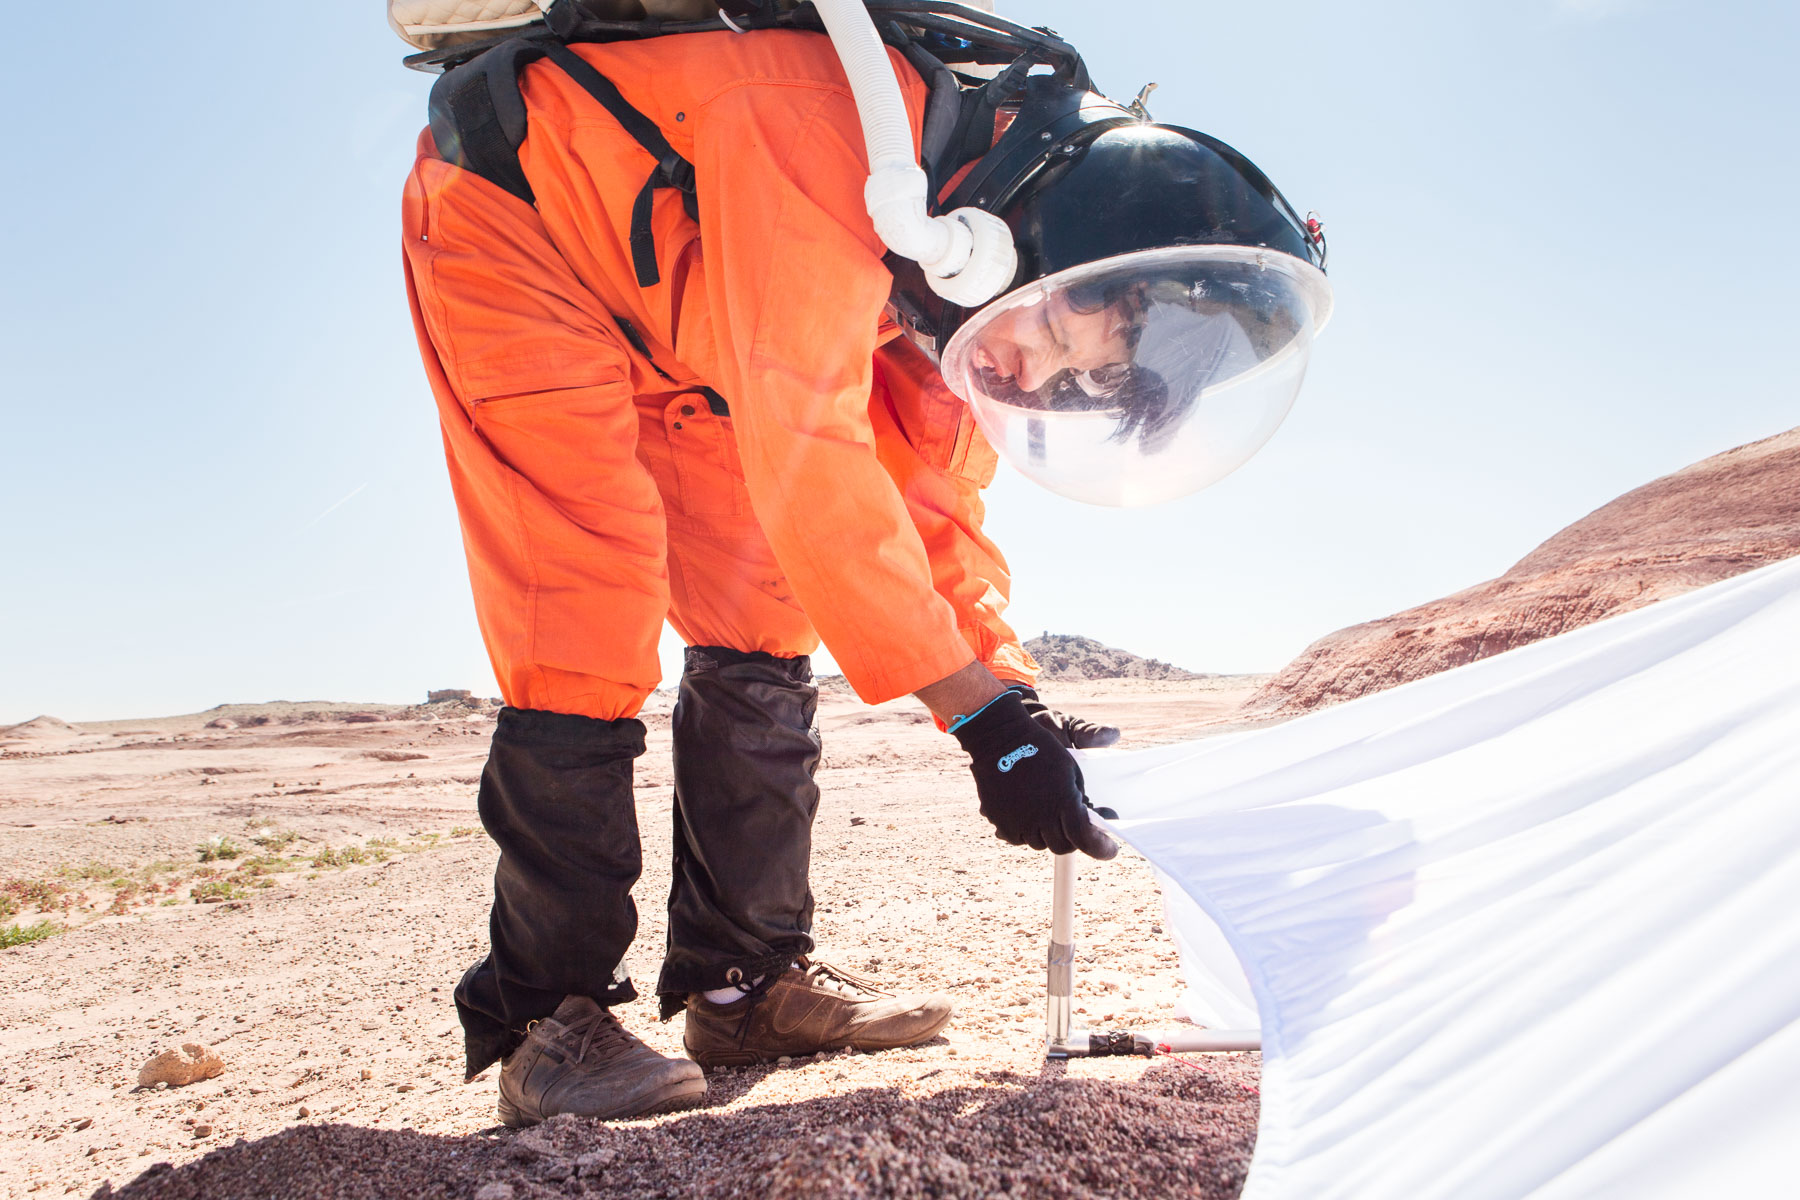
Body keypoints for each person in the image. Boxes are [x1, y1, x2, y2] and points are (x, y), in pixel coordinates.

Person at [392, 0, 1330, 1127]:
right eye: (1080, 355)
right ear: (1071, 264)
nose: (1046, 382)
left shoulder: (963, 283)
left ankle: (744, 985)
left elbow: (930, 501)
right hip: (527, 238)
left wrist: (1009, 693)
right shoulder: (827, 125)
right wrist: (977, 721)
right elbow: (811, 459)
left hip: (685, 303)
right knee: (581, 612)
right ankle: (548, 1022)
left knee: (758, 610)